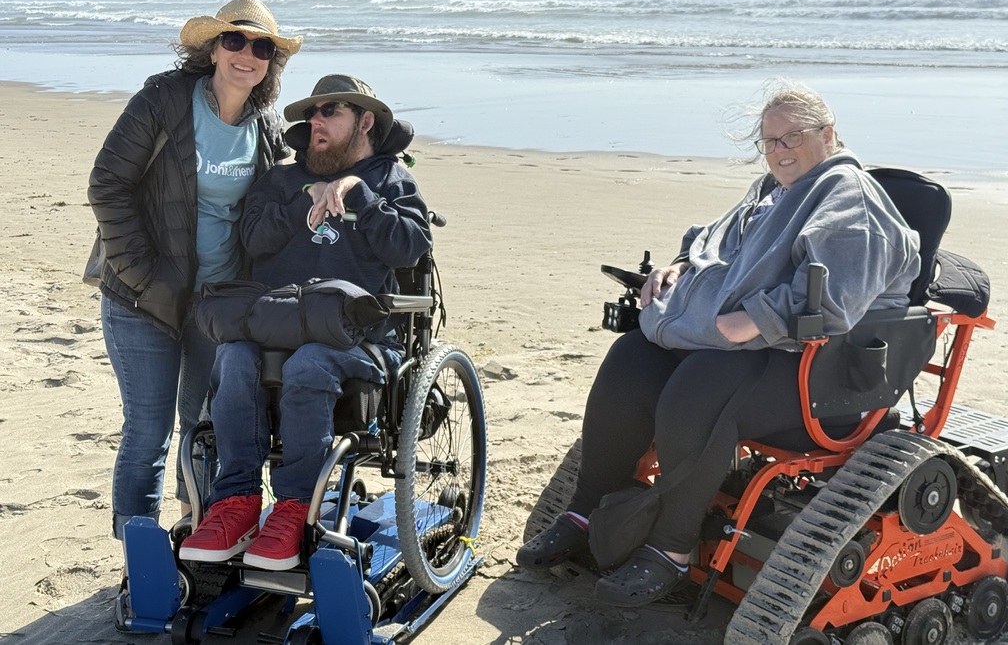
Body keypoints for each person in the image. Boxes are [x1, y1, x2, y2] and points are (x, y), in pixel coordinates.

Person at [516, 79, 922, 607]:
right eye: (768, 141)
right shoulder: (771, 192)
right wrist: (678, 269)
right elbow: (713, 241)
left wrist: (757, 317)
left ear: (828, 134)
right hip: (759, 352)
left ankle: (671, 550)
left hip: (822, 374)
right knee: (633, 357)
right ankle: (586, 511)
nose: (778, 152)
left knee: (700, 385)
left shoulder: (849, 196)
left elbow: (838, 296)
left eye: (790, 138)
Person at [179, 74, 432, 570]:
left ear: (364, 121)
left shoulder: (390, 180)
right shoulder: (280, 180)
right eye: (311, 113)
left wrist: (358, 193)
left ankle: (296, 508)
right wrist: (306, 198)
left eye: (329, 111)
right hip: (275, 327)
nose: (314, 121)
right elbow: (253, 240)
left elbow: (411, 246)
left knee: (311, 363)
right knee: (233, 355)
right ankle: (238, 504)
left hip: (359, 339)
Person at [87, 0, 302, 543]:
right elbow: (108, 184)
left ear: (270, 63)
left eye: (261, 47)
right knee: (149, 432)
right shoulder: (163, 101)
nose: (246, 55)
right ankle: (138, 554)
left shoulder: (266, 127)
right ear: (212, 49)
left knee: (204, 430)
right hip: (143, 300)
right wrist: (144, 274)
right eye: (235, 40)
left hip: (218, 307)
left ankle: (195, 537)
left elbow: (276, 206)